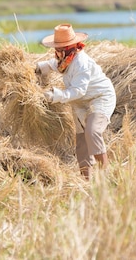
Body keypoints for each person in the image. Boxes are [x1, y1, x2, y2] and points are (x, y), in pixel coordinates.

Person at [36, 23, 117, 179]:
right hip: (80, 103)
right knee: (81, 142)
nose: (58, 50)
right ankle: (86, 180)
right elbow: (52, 65)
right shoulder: (64, 59)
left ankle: (107, 175)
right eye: (57, 47)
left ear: (71, 46)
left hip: (99, 98)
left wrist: (55, 95)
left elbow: (79, 90)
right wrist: (34, 69)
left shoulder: (81, 62)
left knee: (92, 131)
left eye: (61, 47)